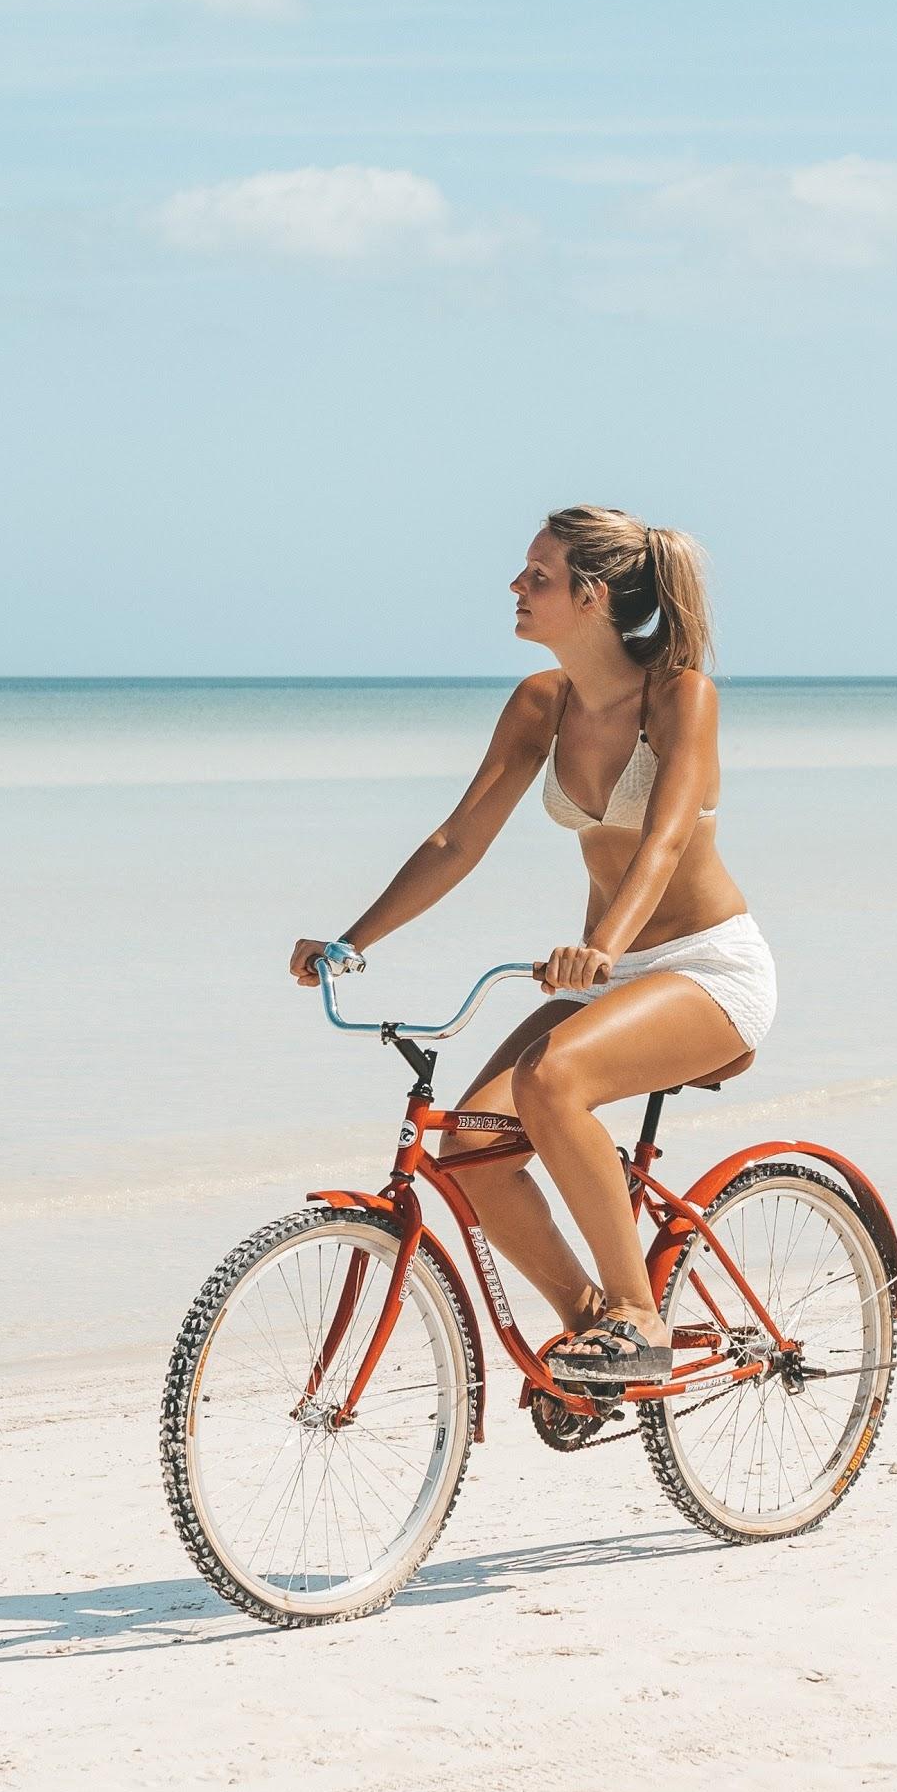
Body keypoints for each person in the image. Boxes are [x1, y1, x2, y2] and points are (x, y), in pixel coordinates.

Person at [287, 507, 774, 1387]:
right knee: (469, 1150)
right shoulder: (540, 703)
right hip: (608, 978)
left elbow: (662, 843)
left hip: (706, 968)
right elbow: (458, 839)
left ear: (590, 597)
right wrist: (350, 943)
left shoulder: (679, 696)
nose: (517, 587)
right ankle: (589, 1327)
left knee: (552, 1080)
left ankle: (638, 1317)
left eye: (537, 575)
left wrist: (602, 946)